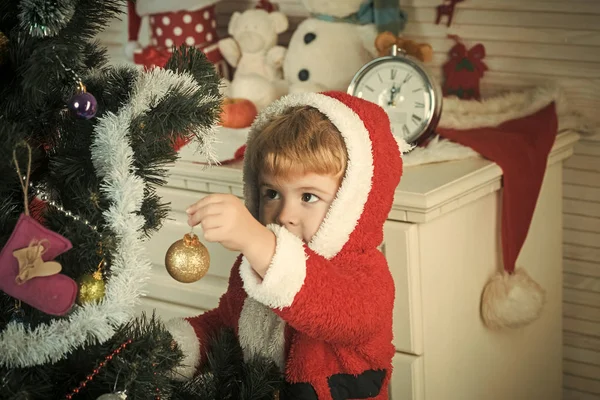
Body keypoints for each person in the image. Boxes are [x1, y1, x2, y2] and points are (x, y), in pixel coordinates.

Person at [168, 91, 405, 399]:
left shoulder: (368, 277)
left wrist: (256, 240)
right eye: (271, 194)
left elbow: (329, 305)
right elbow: (229, 328)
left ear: (353, 203)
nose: (284, 216)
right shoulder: (257, 266)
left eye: (308, 196)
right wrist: (180, 346)